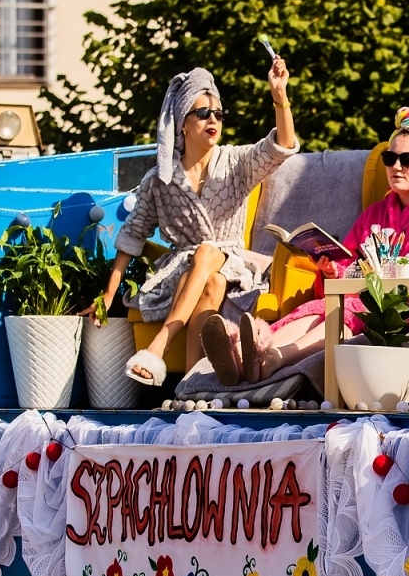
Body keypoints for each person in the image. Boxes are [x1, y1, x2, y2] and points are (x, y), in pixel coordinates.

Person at [200, 109, 409, 386]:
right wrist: (332, 270)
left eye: (407, 159)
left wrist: (358, 280)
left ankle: (274, 358)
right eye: (390, 158)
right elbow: (350, 259)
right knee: (326, 306)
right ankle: (251, 352)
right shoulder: (375, 213)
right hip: (373, 300)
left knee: (348, 310)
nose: (396, 166)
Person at [103, 61, 297, 386]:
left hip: (234, 263)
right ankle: (190, 386)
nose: (213, 120)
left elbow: (280, 147)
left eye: (219, 114)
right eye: (203, 113)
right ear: (182, 124)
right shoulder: (160, 180)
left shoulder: (236, 162)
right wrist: (107, 296)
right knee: (212, 281)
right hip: (184, 271)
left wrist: (280, 96)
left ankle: (158, 347)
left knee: (208, 254)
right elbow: (132, 235)